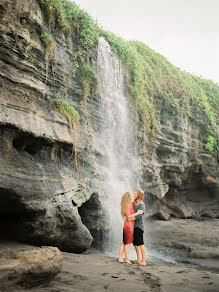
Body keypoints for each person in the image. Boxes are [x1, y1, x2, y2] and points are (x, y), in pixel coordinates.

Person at [118, 192, 143, 264]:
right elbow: (128, 216)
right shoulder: (129, 206)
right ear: (128, 198)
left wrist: (139, 198)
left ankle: (120, 258)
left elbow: (134, 202)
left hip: (126, 225)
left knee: (124, 242)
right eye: (131, 196)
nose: (132, 197)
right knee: (127, 244)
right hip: (129, 226)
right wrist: (137, 213)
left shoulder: (126, 205)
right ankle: (126, 259)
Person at [127, 189, 146, 266]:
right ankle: (138, 260)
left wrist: (129, 219)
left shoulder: (141, 205)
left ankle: (144, 261)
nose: (134, 195)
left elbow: (139, 216)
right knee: (135, 244)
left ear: (138, 196)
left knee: (141, 243)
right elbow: (128, 212)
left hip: (139, 227)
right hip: (133, 227)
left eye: (135, 194)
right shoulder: (133, 204)